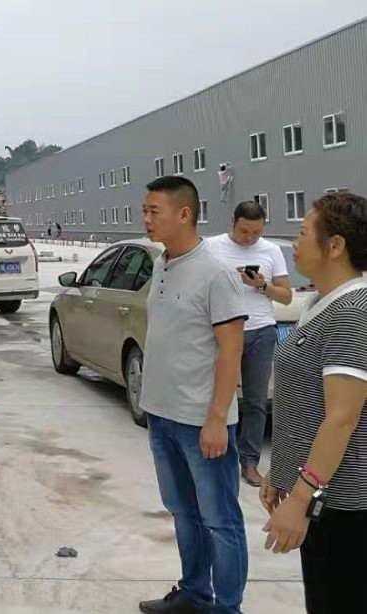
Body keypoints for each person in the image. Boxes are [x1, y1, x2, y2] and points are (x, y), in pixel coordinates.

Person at [138, 176, 248, 614]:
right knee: (183, 512)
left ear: (185, 214)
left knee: (220, 519)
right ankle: (194, 593)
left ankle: (227, 607)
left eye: (154, 212)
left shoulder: (215, 273)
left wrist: (217, 418)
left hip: (201, 421)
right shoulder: (162, 263)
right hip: (162, 414)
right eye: (144, 211)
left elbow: (231, 349)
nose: (146, 219)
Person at [261, 192, 367, 614]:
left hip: (344, 503)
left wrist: (301, 498)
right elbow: (306, 404)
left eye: (304, 232)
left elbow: (341, 418)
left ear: (335, 245)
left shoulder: (351, 313)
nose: (294, 242)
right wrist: (282, 468)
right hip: (323, 493)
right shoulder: (320, 302)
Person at [207, 201, 293, 487]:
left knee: (256, 401)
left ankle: (250, 462)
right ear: (233, 222)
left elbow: (286, 296)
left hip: (260, 331)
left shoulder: (271, 251)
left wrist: (261, 285)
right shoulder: (212, 247)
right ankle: (219, 458)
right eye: (244, 231)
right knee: (220, 396)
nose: (249, 238)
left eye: (256, 232)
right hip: (222, 331)